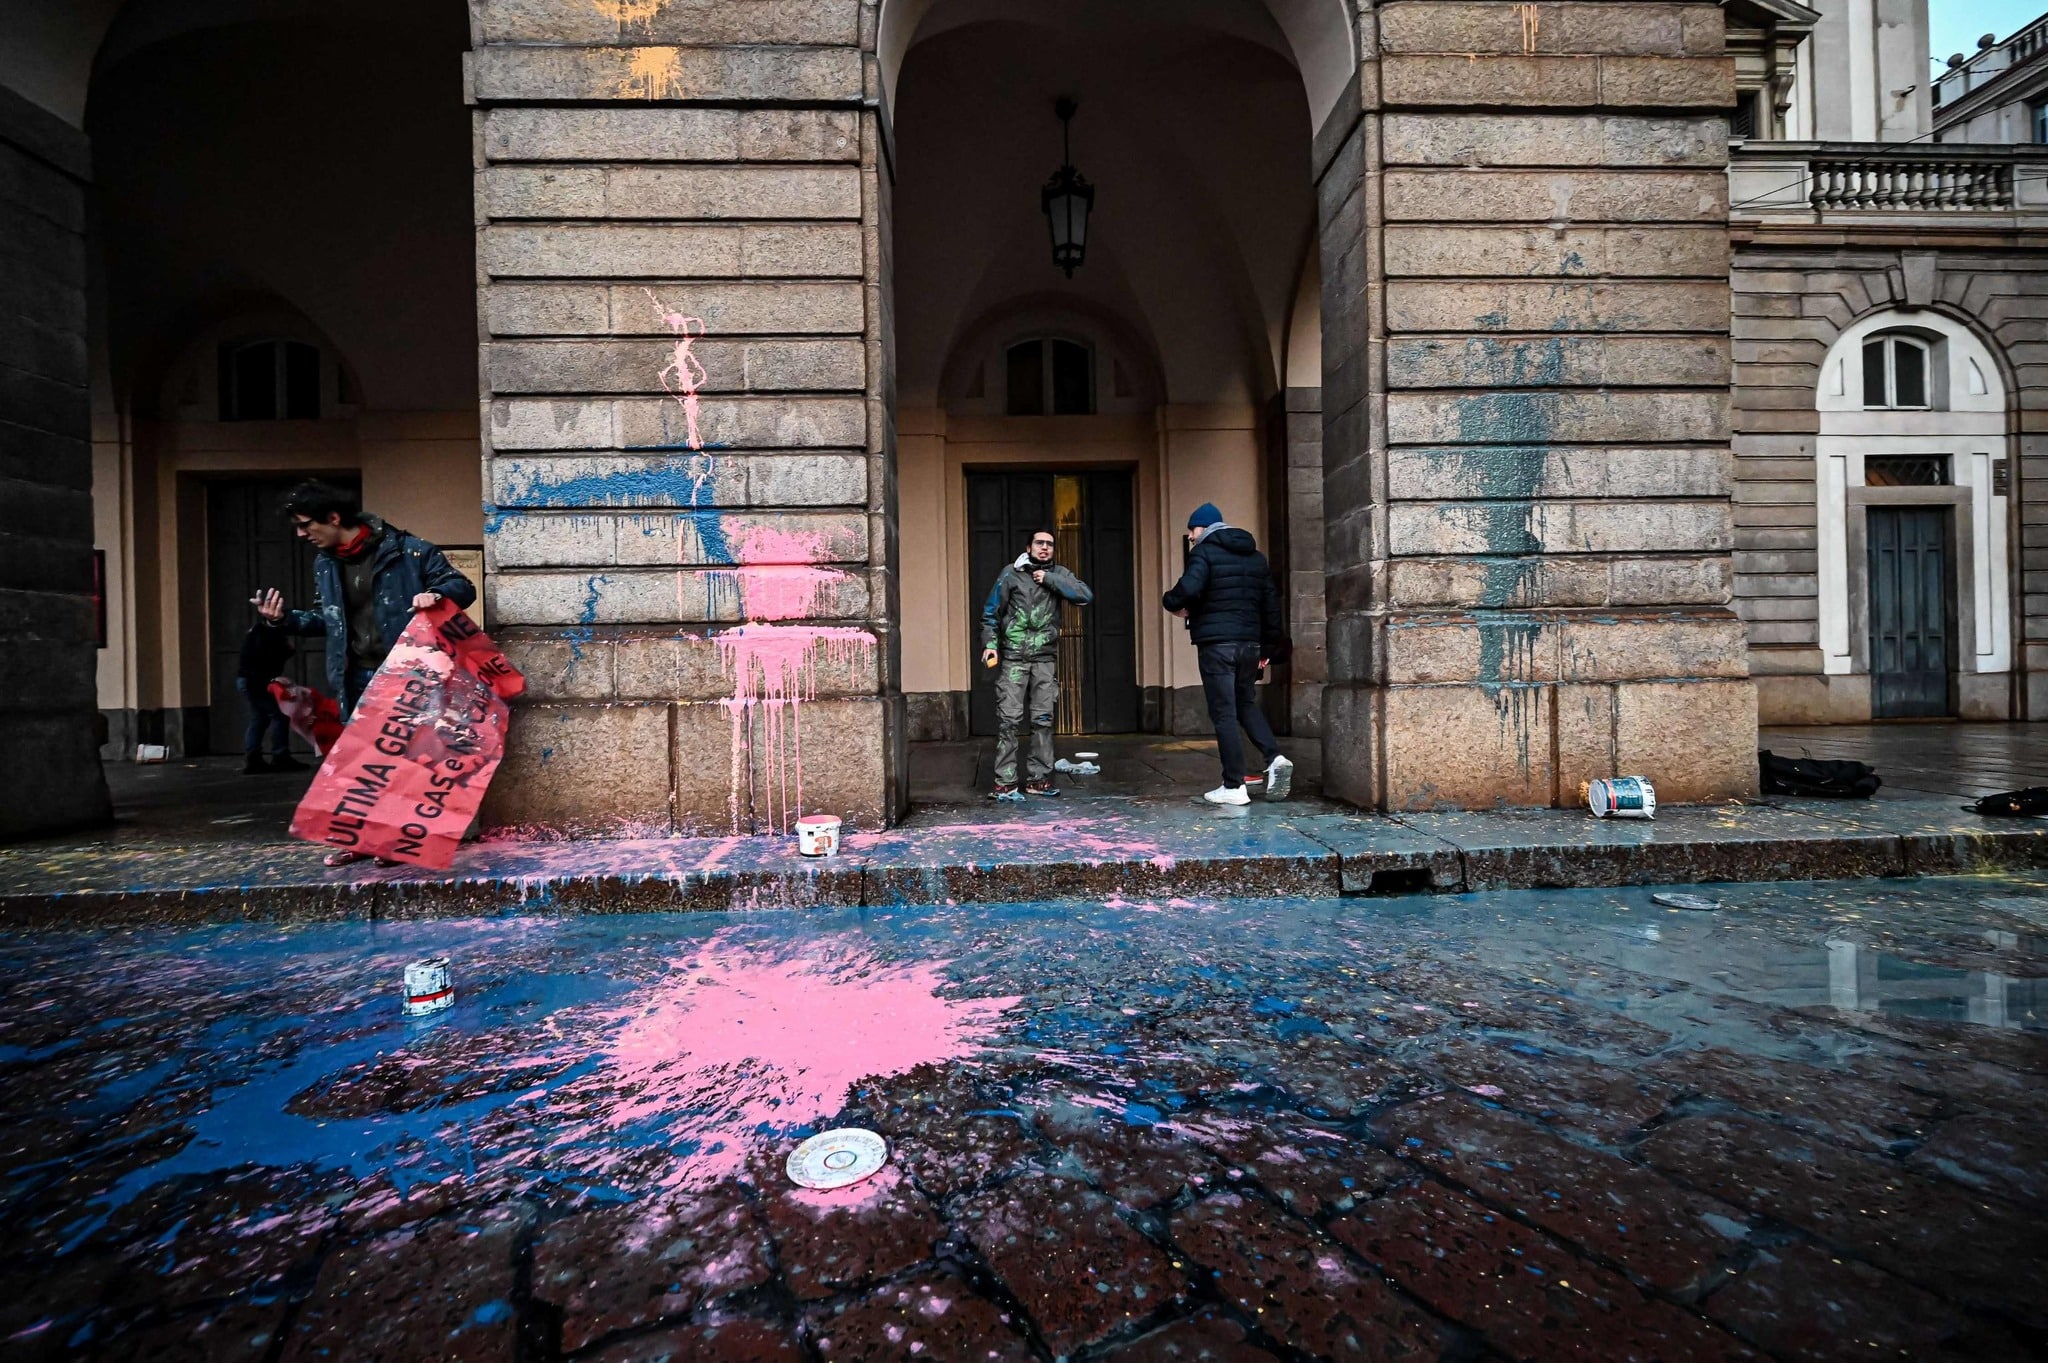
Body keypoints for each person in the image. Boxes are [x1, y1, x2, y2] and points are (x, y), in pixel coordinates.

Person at [254, 481, 476, 863]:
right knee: (360, 763)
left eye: (306, 524)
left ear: (334, 518)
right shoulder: (326, 562)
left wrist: (436, 595)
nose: (301, 534)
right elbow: (329, 618)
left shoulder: (410, 551)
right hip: (355, 676)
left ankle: (391, 839)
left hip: (409, 674)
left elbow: (462, 586)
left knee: (405, 759)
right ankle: (357, 839)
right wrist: (283, 620)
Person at [1162, 502, 1292, 806]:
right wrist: (1268, 649)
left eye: (1192, 530)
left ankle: (1234, 785)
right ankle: (1275, 757)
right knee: (1245, 703)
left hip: (1218, 645)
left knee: (1223, 712)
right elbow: (1270, 606)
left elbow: (1188, 589)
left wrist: (1171, 602)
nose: (1191, 537)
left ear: (1203, 527)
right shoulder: (1256, 559)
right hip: (1249, 645)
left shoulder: (1204, 553)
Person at [979, 529, 1093, 800]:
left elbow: (1085, 595)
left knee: (1043, 720)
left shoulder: (1059, 574)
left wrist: (1050, 579)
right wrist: (990, 644)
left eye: (1049, 545)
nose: (1044, 548)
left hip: (1044, 659)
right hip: (1014, 658)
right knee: (1009, 720)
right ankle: (1004, 782)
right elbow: (990, 613)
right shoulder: (1011, 573)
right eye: (1039, 543)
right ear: (1028, 546)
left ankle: (1039, 780)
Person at [235, 613, 303, 775]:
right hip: (254, 681)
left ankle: (254, 758)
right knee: (278, 715)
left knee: (260, 716)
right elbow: (259, 661)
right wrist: (272, 677)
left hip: (249, 680)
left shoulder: (262, 631)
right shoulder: (266, 633)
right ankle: (279, 756)